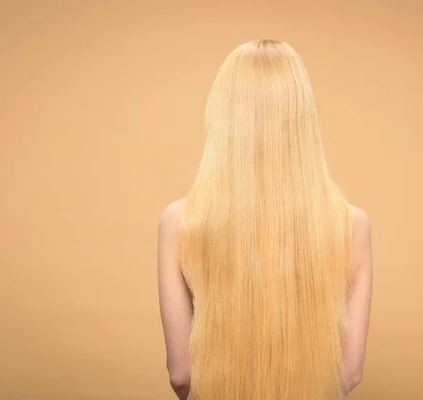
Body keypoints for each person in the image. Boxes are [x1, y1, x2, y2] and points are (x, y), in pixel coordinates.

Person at [157, 39, 373, 399]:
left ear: (223, 116)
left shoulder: (179, 222)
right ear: (303, 119)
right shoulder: (351, 225)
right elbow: (349, 372)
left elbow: (181, 375)